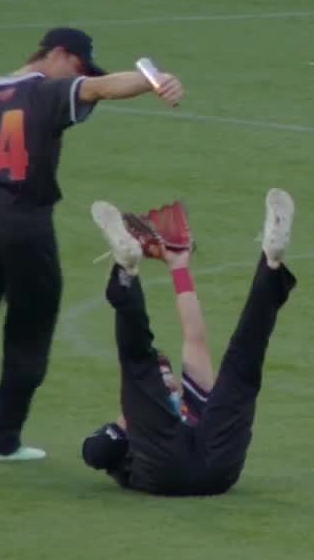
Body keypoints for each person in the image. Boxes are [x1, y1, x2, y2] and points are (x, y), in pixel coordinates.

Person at [0, 27, 184, 467]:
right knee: (31, 332)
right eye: (78, 66)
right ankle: (0, 439)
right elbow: (101, 89)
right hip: (25, 223)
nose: (78, 77)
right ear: (58, 54)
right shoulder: (43, 94)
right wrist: (154, 81)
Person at [80, 189, 298, 497]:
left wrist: (179, 266)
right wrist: (179, 266)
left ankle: (127, 270)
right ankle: (271, 264)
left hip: (175, 471)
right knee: (243, 362)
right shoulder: (178, 403)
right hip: (218, 466)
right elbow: (94, 452)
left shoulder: (168, 405)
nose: (168, 378)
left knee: (234, 363)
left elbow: (95, 454)